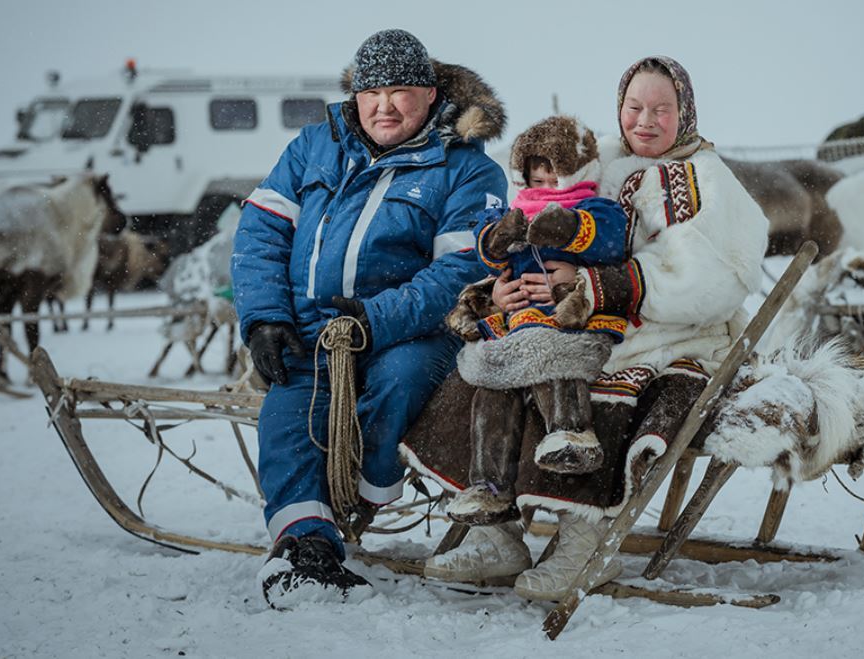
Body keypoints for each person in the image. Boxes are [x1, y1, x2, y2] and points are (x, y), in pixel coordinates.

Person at [401, 56, 769, 600]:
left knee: (598, 387)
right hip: (568, 318)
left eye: (661, 110)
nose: (645, 120)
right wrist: (504, 286)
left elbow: (714, 280)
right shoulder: (596, 159)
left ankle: (583, 540)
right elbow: (532, 216)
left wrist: (592, 283)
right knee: (488, 371)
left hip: (670, 332)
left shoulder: (708, 180)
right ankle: (497, 531)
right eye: (634, 107)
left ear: (685, 113)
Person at [230, 28, 508, 608]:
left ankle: (366, 493)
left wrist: (374, 319)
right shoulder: (313, 146)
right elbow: (261, 233)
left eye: (401, 91)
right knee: (286, 419)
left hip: (411, 333)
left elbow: (460, 270)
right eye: (370, 91)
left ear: (431, 95)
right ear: (354, 94)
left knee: (397, 383)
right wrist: (263, 318)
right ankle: (308, 547)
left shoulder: (467, 170)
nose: (383, 105)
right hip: (309, 329)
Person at [441, 115, 631, 525]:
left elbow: (611, 237)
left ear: (576, 171)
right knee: (493, 384)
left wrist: (566, 227)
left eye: (554, 178)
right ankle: (487, 486)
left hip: (569, 322)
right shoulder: (519, 214)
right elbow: (491, 257)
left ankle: (571, 432)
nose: (545, 190)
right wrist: (497, 242)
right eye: (536, 181)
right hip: (517, 322)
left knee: (554, 356)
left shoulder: (592, 206)